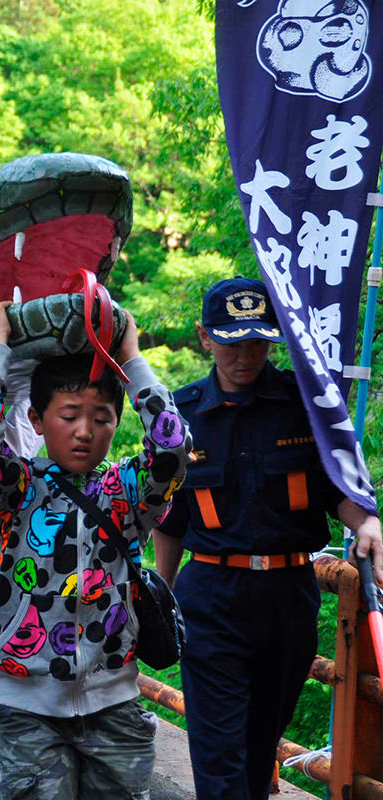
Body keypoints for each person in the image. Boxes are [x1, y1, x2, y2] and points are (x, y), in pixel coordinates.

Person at [151, 278, 383, 800]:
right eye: (232, 342)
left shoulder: (307, 408)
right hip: (210, 596)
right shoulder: (181, 415)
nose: (245, 356)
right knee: (220, 761)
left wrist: (366, 521)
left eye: (257, 342)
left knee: (258, 758)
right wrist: (160, 601)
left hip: (288, 598)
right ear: (205, 337)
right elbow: (170, 520)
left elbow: (339, 489)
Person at [0, 302, 190, 800]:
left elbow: (172, 451)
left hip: (114, 702)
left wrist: (130, 357)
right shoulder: (15, 489)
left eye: (101, 418)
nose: (85, 430)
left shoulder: (127, 492)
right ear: (38, 421)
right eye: (69, 415)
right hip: (26, 703)